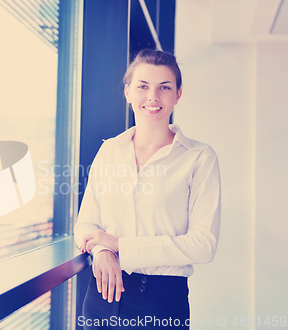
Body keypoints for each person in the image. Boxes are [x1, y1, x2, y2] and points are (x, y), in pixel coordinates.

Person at [74, 49, 221, 329]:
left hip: (161, 302)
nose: (153, 97)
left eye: (164, 87)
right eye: (143, 86)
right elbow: (86, 225)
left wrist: (120, 246)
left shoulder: (199, 157)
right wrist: (103, 251)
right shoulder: (109, 151)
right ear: (128, 92)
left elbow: (204, 245)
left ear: (178, 94)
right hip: (101, 295)